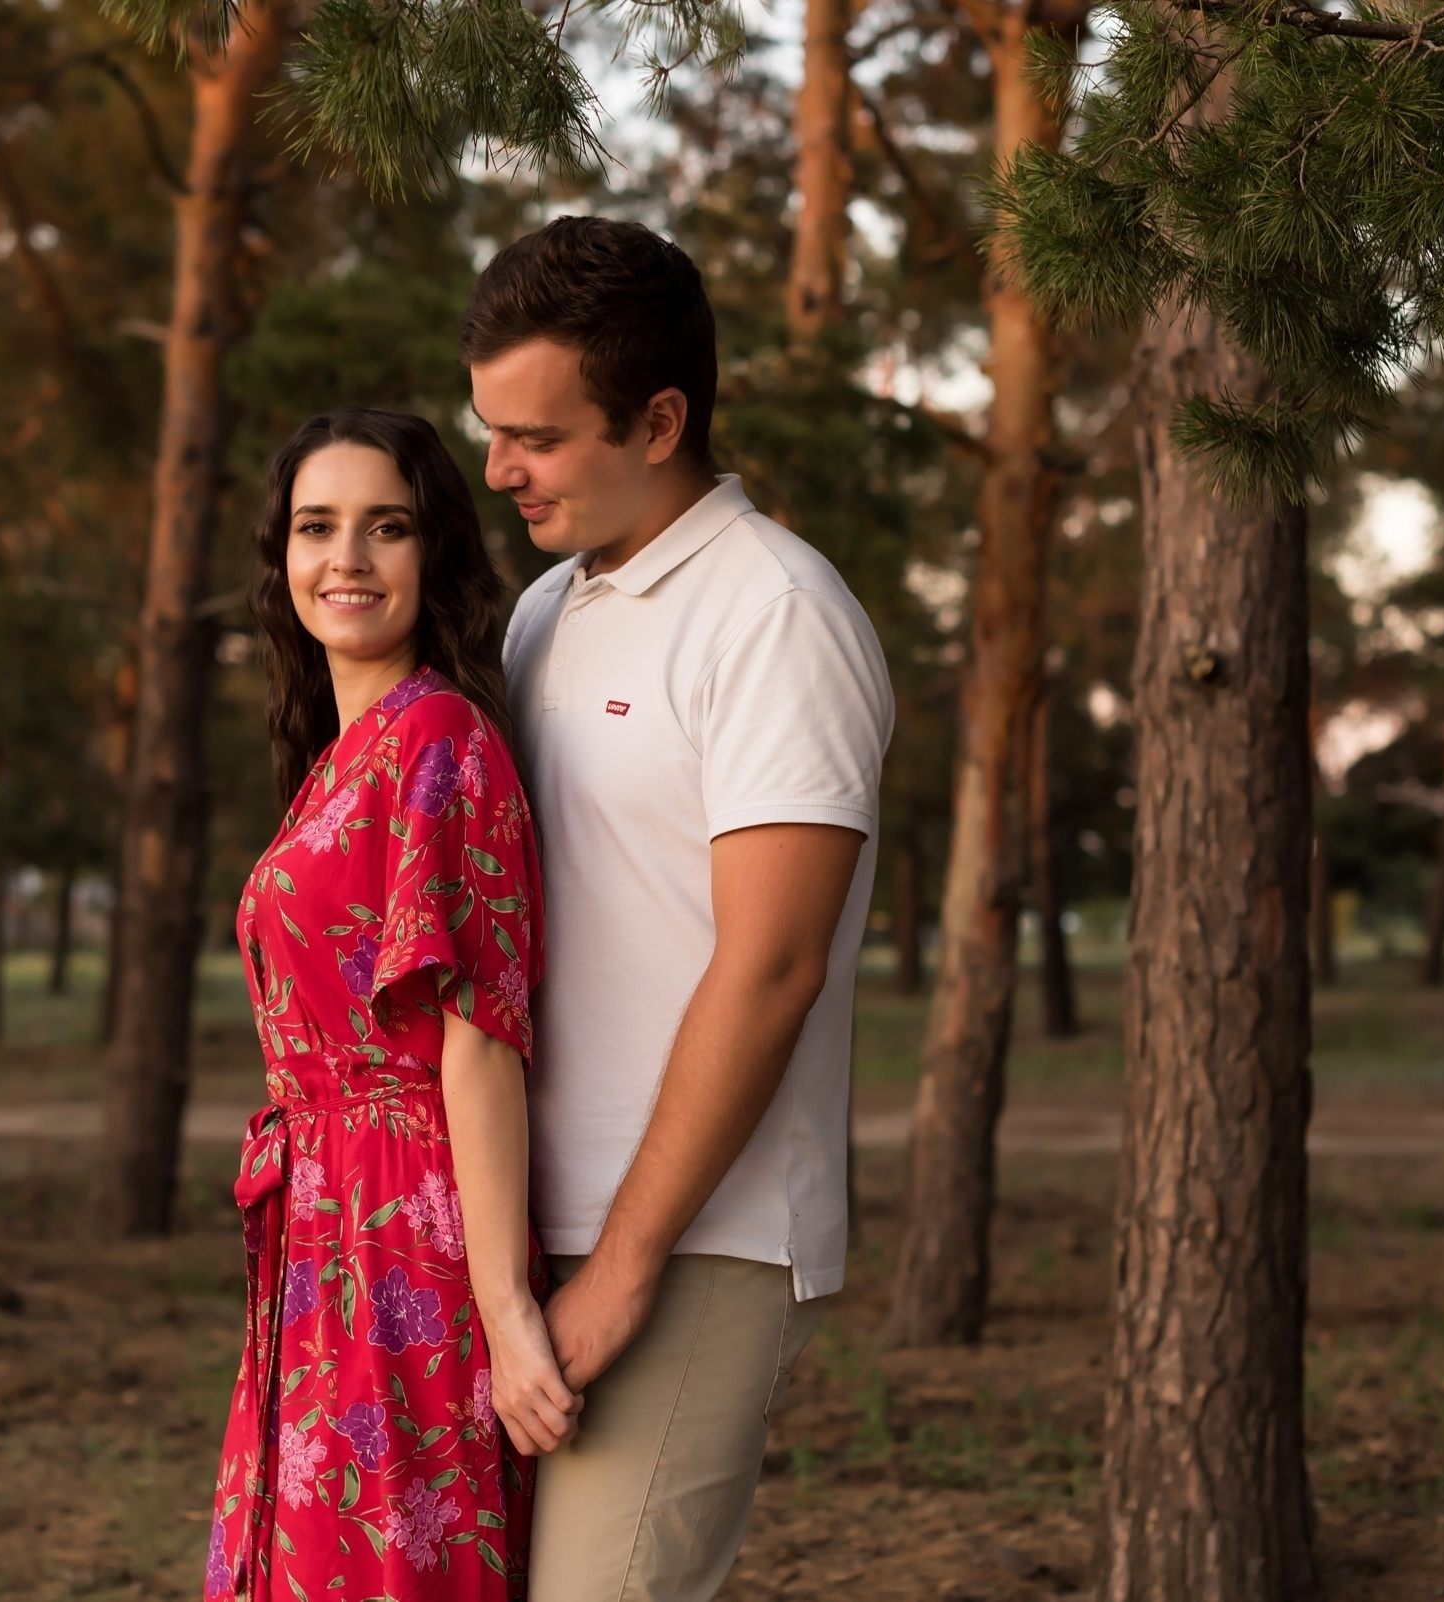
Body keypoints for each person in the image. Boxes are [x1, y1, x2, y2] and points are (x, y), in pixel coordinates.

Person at [466, 219, 894, 1600]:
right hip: (516, 1223)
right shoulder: (543, 613)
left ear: (659, 420)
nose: (498, 467)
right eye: (490, 428)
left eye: (536, 434)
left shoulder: (772, 611)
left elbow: (772, 964)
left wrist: (627, 1262)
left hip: (687, 1231)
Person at [206, 407, 579, 1602]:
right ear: (284, 559)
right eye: (318, 529)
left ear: (437, 556)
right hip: (322, 1229)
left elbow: (476, 1040)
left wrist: (506, 1311)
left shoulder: (440, 742)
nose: (347, 560)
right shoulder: (341, 749)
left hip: (405, 1235)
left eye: (388, 528)